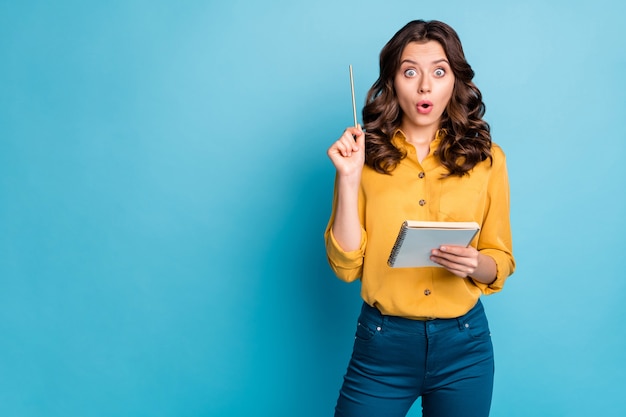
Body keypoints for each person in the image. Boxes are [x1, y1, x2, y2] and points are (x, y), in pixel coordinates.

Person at [324, 20, 515, 417]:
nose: (425, 86)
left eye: (439, 72)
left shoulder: (488, 159)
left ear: (455, 82)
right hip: (382, 345)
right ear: (393, 82)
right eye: (410, 71)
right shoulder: (364, 156)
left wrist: (476, 264)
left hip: (465, 347)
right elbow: (346, 267)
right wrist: (348, 179)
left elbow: (500, 258)